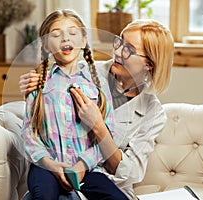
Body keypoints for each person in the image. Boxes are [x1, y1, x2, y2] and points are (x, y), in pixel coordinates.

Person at [19, 18, 174, 199]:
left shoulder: (153, 112)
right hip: (61, 168)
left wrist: (99, 127)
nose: (117, 51)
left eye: (129, 49)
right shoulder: (83, 72)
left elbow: (131, 173)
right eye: (119, 42)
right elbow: (46, 114)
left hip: (103, 181)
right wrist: (31, 89)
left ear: (149, 64)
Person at [20, 9, 128, 200]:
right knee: (44, 196)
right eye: (55, 34)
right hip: (46, 167)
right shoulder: (38, 82)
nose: (64, 39)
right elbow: (29, 134)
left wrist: (82, 164)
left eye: (72, 33)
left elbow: (107, 133)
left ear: (84, 39)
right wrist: (50, 165)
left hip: (87, 169)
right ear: (45, 45)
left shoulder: (99, 83)